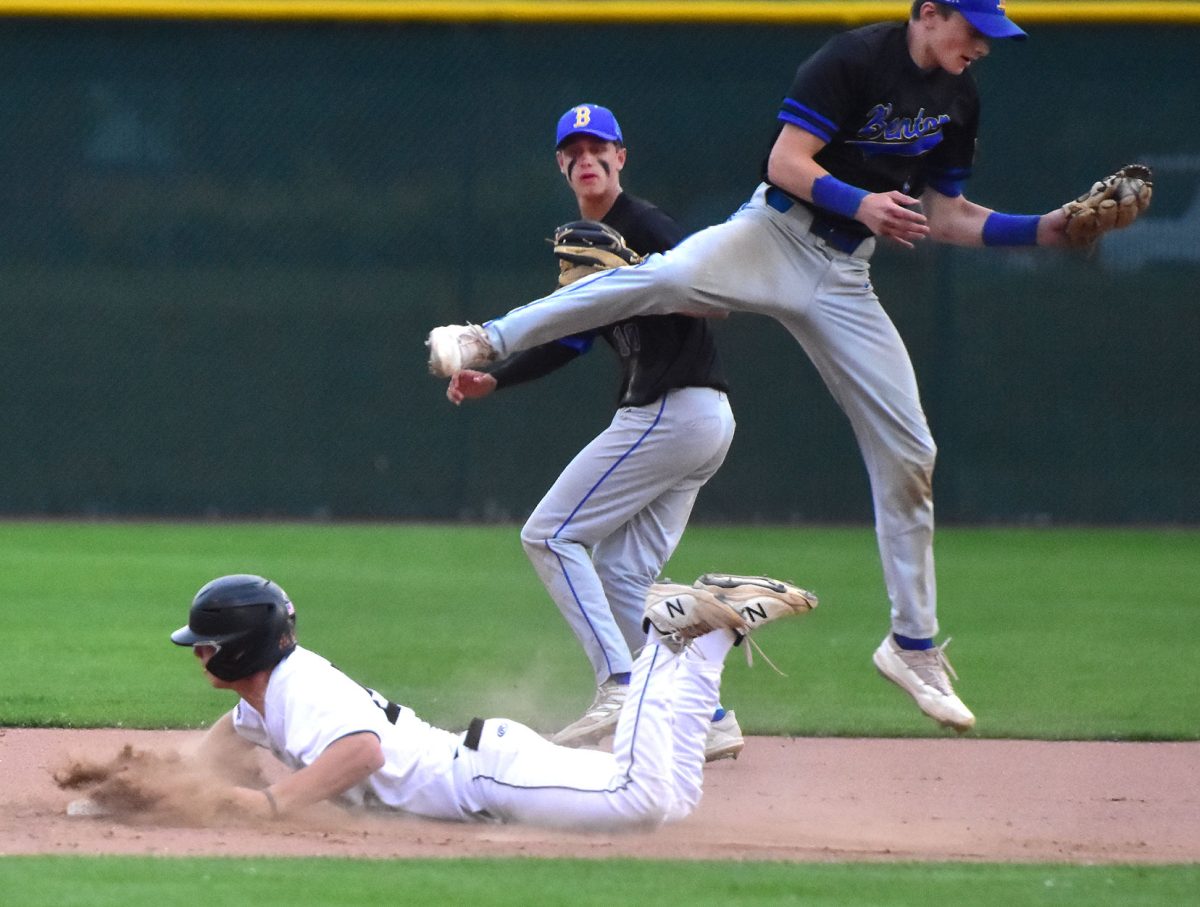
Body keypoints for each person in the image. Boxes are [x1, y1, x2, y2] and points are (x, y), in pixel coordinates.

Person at [429, 0, 1077, 733]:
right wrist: (862, 200)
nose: (983, 46)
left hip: (843, 276)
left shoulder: (959, 96)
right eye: (975, 29)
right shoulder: (854, 59)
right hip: (773, 233)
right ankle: (489, 336)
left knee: (911, 450)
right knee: (659, 278)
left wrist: (1043, 231)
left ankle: (912, 644)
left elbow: (948, 213)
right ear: (929, 13)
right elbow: (786, 163)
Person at [443, 104, 740, 759]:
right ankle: (708, 715)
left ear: (620, 157)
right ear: (561, 165)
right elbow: (572, 334)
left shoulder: (643, 225)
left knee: (549, 534)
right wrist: (499, 379)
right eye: (572, 150)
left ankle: (618, 683)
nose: (586, 158)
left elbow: (714, 294)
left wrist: (646, 280)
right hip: (698, 418)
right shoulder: (588, 239)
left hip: (672, 408)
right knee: (623, 575)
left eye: (597, 147)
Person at [168, 572, 815, 828]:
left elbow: (362, 751)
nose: (200, 652)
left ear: (242, 647)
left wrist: (274, 803)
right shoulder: (266, 697)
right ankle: (711, 639)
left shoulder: (298, 687)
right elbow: (224, 745)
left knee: (642, 801)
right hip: (488, 762)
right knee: (673, 801)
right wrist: (158, 789)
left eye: (207, 642)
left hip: (485, 779)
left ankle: (661, 639)